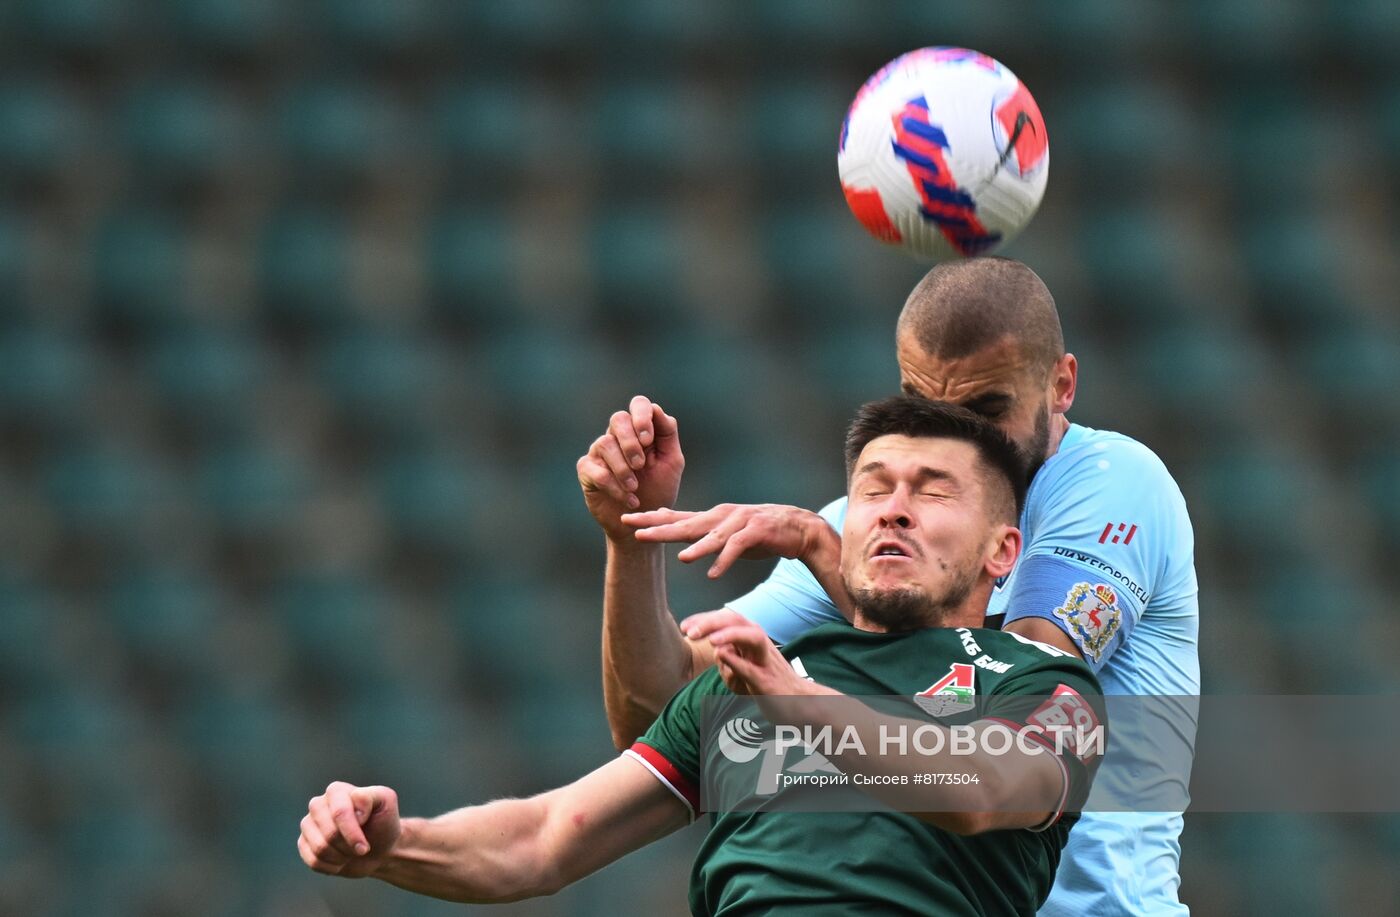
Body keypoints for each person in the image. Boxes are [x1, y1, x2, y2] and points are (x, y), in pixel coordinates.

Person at [300, 398, 1104, 915]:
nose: (893, 509)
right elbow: (542, 839)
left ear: (1005, 551)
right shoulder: (757, 681)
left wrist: (798, 703)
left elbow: (979, 789)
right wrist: (393, 845)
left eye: (932, 491)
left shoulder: (1042, 685)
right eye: (873, 487)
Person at [578, 257, 1198, 916]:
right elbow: (659, 715)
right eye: (932, 409)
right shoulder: (871, 525)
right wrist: (629, 539)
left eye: (989, 410)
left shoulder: (1113, 482)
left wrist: (823, 551)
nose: (964, 442)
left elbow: (1005, 694)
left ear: (1061, 384)